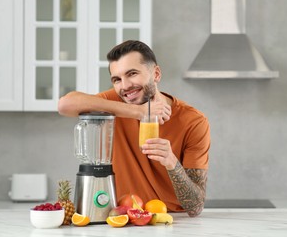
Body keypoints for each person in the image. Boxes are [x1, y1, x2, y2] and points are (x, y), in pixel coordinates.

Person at [58, 40, 210, 217]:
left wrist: (172, 162)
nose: (125, 86)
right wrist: (138, 112)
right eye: (117, 79)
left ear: (156, 74)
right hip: (122, 216)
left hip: (172, 219)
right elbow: (65, 105)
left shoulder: (193, 121)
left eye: (132, 74)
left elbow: (195, 206)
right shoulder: (115, 102)